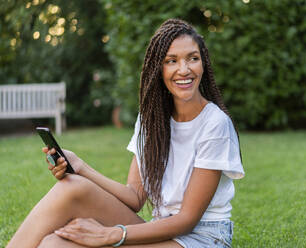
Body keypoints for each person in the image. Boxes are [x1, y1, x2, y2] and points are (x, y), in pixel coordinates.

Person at [7, 18, 244, 248]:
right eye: (172, 61)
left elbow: (186, 220)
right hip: (161, 229)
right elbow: (134, 197)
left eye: (193, 58)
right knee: (55, 237)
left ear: (203, 64)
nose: (184, 69)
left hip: (202, 238)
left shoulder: (215, 124)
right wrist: (80, 167)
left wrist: (110, 234)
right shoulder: (152, 120)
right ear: (158, 69)